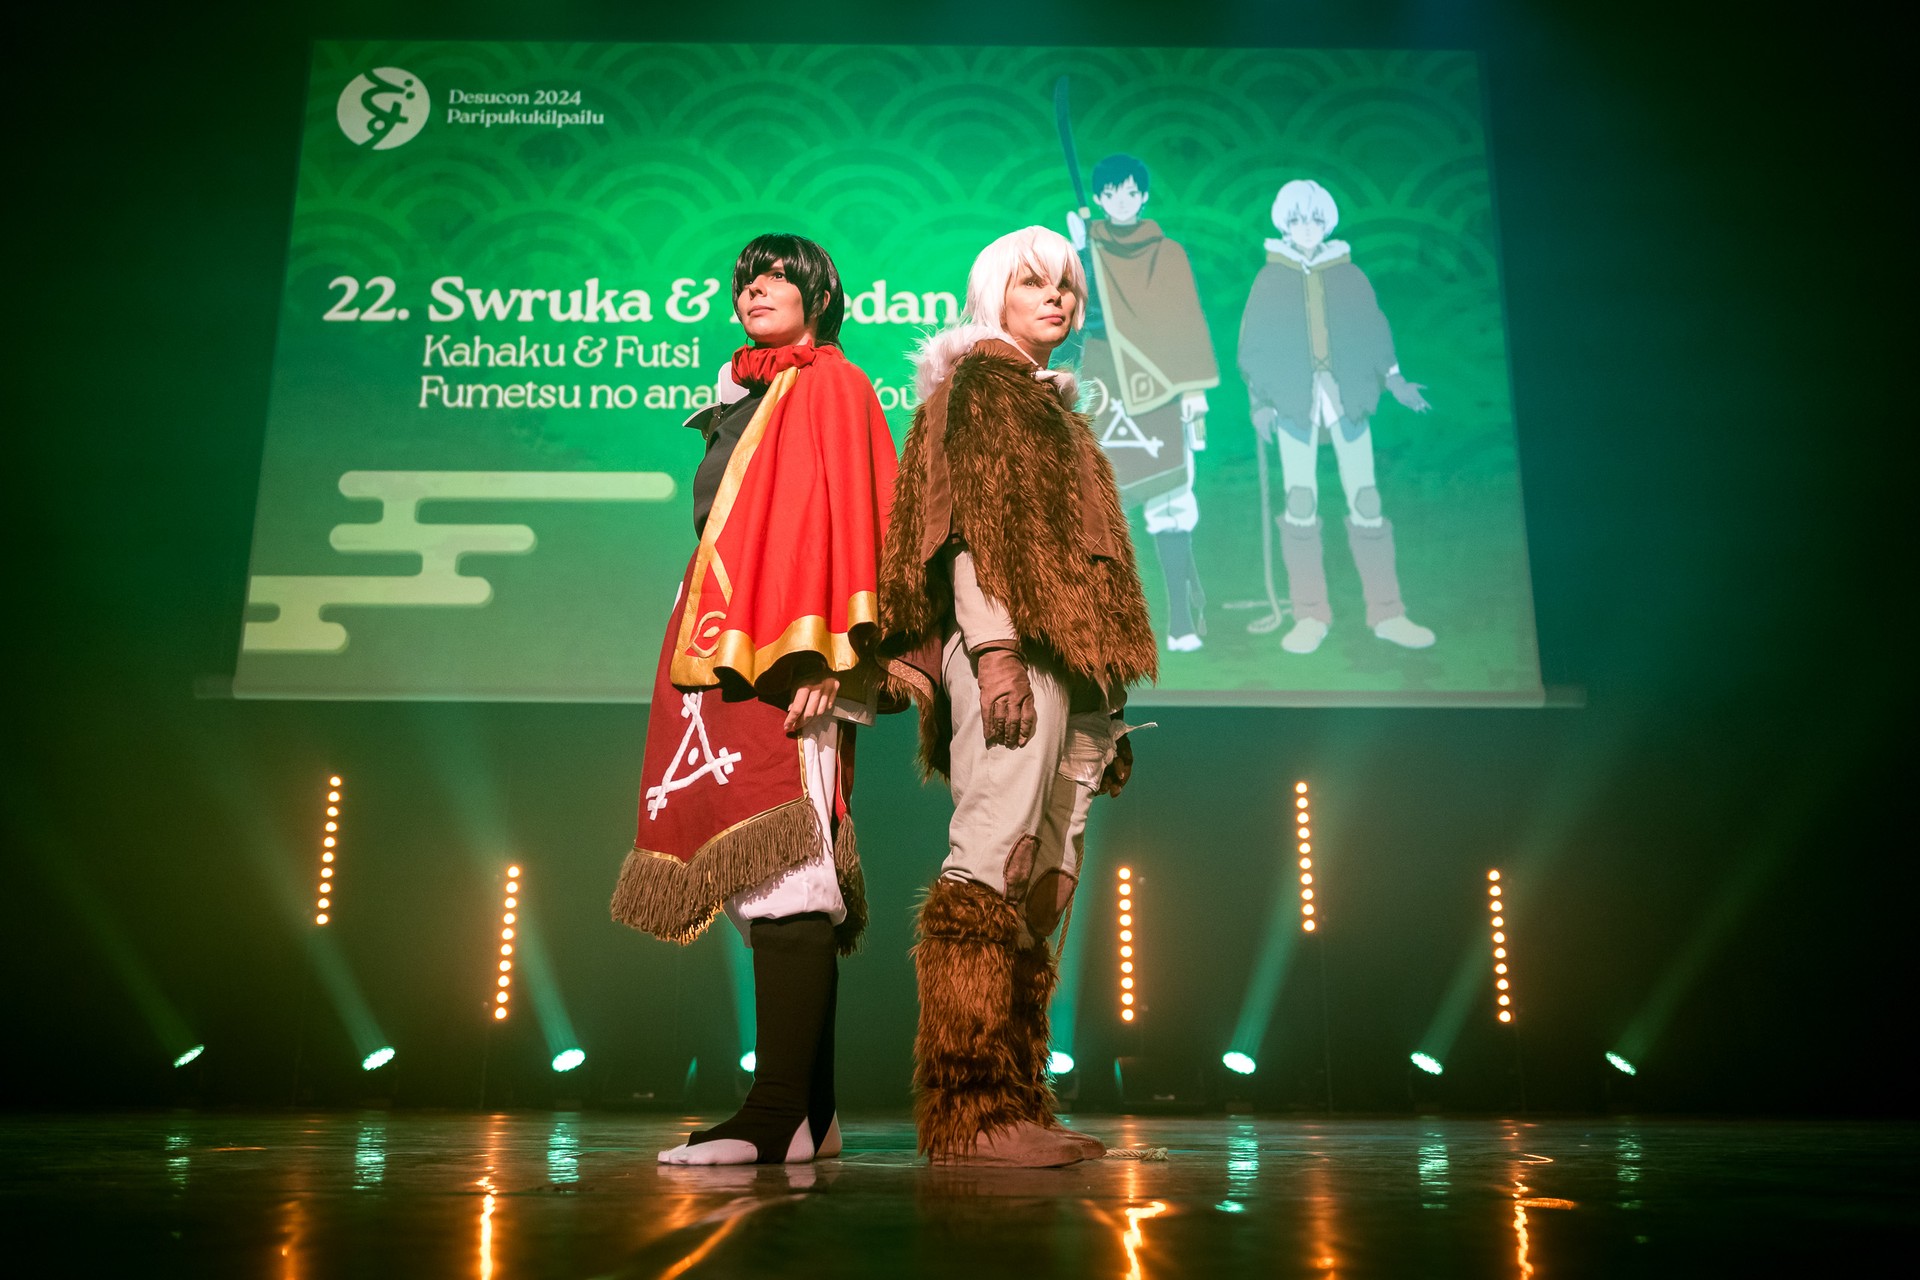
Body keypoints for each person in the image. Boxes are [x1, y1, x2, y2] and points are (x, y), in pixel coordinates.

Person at [610, 234, 896, 1165]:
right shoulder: (747, 392)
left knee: (790, 876)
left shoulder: (832, 384)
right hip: (722, 646)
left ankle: (775, 1118)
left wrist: (836, 661)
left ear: (820, 295)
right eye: (745, 280)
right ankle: (810, 1115)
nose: (756, 289)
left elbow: (855, 524)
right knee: (760, 876)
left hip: (792, 656)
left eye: (777, 277)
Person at [880, 226, 1158, 1167]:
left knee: (1045, 882)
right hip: (1012, 651)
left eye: (1067, 286)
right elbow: (970, 532)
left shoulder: (1051, 409)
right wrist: (994, 651)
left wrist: (1106, 700)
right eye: (1034, 282)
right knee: (992, 862)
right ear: (993, 291)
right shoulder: (982, 391)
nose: (1057, 299)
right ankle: (969, 1113)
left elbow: (1089, 561)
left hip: (1073, 667)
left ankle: (1019, 1098)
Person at [1238, 178, 1436, 655]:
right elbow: (1254, 347)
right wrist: (1260, 403)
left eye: (1314, 218)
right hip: (1294, 403)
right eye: (1297, 219)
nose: (1306, 227)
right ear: (1285, 225)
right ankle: (1310, 615)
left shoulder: (1350, 276)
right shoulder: (1270, 279)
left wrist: (1395, 380)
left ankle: (1387, 612)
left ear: (1326, 222)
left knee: (1366, 498)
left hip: (1348, 399)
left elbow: (1374, 331)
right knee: (1300, 500)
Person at [1067, 153, 1221, 652]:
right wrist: (1076, 255)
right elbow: (1077, 315)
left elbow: (1184, 318)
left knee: (1170, 498)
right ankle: (1107, 626)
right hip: (1104, 379)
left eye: (1131, 192)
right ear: (1099, 197)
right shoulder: (1086, 248)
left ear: (1144, 196)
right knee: (1100, 505)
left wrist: (1193, 390)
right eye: (1112, 192)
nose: (1121, 201)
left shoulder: (1166, 252)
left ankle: (1180, 618)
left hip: (1159, 384)